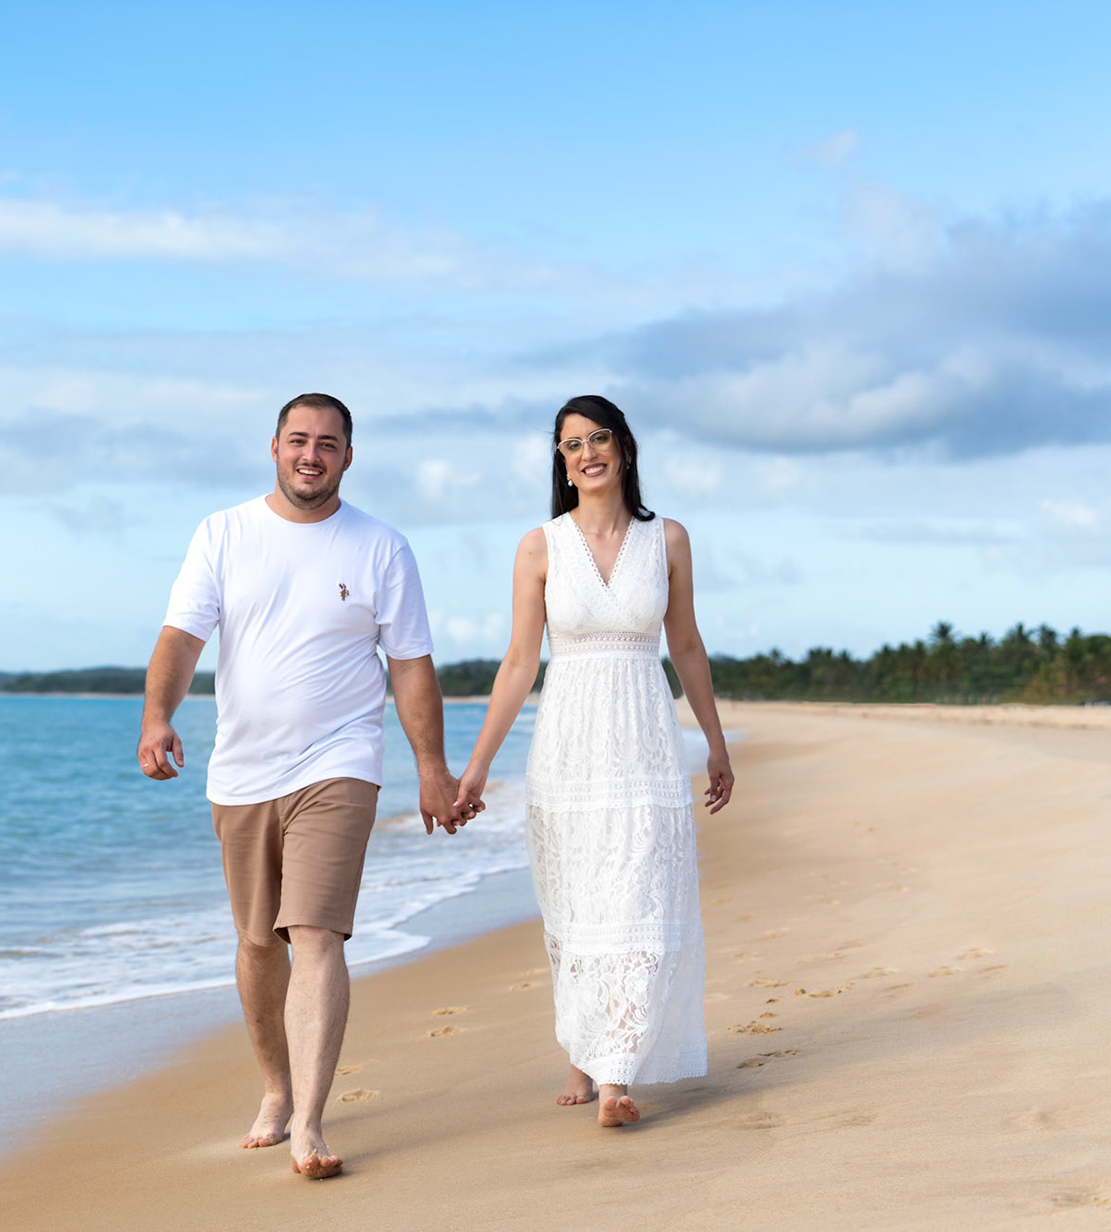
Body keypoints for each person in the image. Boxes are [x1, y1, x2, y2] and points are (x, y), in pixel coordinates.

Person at [137, 393, 477, 1180]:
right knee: (260, 943)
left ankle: (312, 1124)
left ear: (349, 456)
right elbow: (182, 638)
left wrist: (432, 770)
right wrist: (158, 717)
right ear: (274, 448)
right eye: (299, 441)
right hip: (242, 770)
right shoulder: (223, 534)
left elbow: (411, 667)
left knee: (316, 932)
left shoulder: (381, 548)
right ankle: (276, 1090)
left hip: (341, 762)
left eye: (328, 443)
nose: (312, 455)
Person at [455, 393, 733, 1128]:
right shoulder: (539, 547)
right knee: (578, 902)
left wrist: (715, 740)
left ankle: (615, 1073)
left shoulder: (666, 539)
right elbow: (519, 663)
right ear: (562, 460)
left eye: (599, 438)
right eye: (572, 444)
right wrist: (478, 765)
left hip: (643, 739)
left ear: (625, 448)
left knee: (639, 900)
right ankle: (586, 1050)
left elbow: (688, 646)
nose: (588, 453)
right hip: (570, 744)